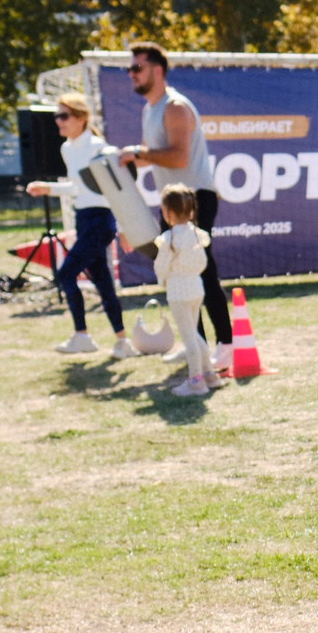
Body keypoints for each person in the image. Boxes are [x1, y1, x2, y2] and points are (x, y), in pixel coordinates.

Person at [117, 43, 234, 370]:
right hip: (173, 200)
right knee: (176, 272)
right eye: (129, 69)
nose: (131, 74)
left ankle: (227, 344)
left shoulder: (175, 106)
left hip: (195, 197)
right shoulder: (149, 109)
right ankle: (195, 344)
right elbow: (153, 157)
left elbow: (179, 156)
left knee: (202, 270)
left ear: (157, 71)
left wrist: (137, 153)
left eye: (137, 68)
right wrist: (123, 161)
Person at [25, 93, 127, 356]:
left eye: (63, 116)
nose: (58, 121)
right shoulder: (67, 149)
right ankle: (122, 341)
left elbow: (117, 189)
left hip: (100, 220)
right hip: (83, 218)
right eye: (57, 116)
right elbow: (77, 187)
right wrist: (48, 188)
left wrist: (125, 229)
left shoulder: (98, 146)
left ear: (81, 118)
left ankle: (81, 335)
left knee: (66, 273)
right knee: (103, 281)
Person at [152, 185, 219, 398]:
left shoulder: (168, 239)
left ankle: (196, 381)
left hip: (178, 292)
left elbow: (161, 266)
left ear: (167, 212)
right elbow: (202, 263)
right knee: (194, 333)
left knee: (189, 337)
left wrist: (163, 280)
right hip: (196, 288)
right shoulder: (197, 235)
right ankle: (210, 374)